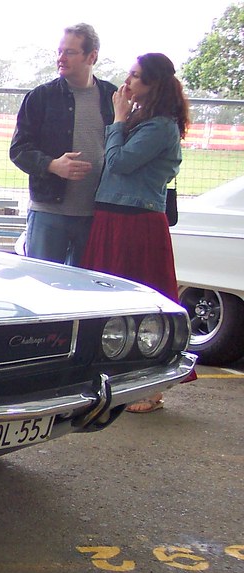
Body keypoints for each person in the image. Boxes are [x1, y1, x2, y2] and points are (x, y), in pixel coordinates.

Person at [81, 53, 191, 413]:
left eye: (137, 77)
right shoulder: (145, 120)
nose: (128, 82)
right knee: (110, 301)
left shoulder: (160, 126)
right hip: (114, 215)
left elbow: (119, 162)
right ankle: (119, 379)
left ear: (155, 85)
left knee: (144, 302)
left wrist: (118, 120)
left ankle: (151, 386)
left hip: (136, 221)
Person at [10, 23, 117, 266]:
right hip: (49, 212)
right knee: (42, 286)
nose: (61, 58)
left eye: (69, 52)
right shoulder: (41, 97)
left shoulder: (112, 97)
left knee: (84, 291)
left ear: (92, 56)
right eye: (59, 51)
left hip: (96, 214)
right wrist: (52, 165)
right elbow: (18, 150)